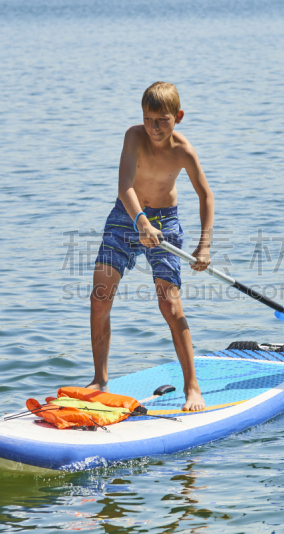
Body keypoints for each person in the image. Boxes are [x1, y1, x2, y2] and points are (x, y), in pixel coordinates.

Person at [87, 81, 214, 411]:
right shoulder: (134, 137)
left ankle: (192, 387)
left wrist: (204, 246)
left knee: (169, 305)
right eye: (148, 119)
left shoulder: (183, 151)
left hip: (165, 223)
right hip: (126, 216)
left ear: (178, 117)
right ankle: (100, 380)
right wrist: (140, 221)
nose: (154, 128)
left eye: (162, 120)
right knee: (100, 295)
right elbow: (124, 185)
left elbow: (206, 196)